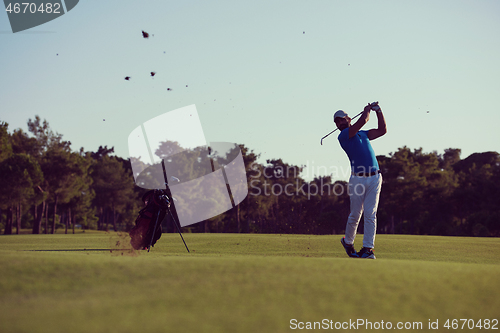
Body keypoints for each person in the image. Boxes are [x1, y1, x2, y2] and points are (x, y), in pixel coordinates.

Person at [335, 102, 387, 259]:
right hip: (357, 179)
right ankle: (348, 242)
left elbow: (382, 131)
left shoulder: (363, 134)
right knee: (356, 214)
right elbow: (363, 120)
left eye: (342, 119)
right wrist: (367, 111)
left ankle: (367, 249)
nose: (339, 123)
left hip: (375, 177)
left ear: (349, 119)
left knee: (371, 214)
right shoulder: (343, 135)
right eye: (337, 122)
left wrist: (378, 111)